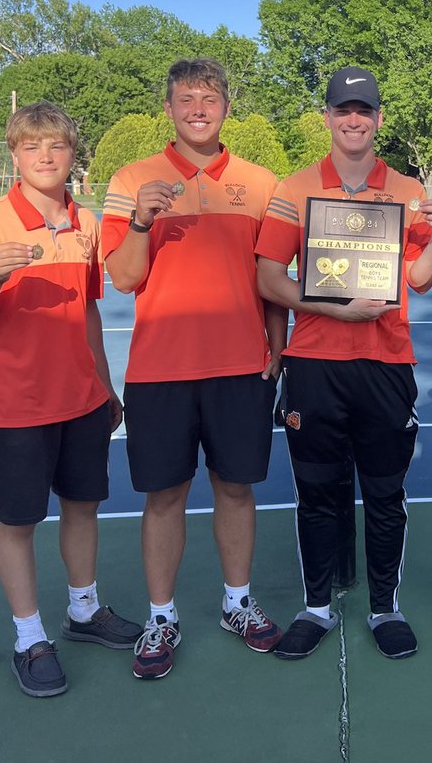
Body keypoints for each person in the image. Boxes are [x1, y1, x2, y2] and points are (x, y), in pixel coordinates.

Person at [0, 102, 140, 698]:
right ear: (14, 155)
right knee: (19, 522)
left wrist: (104, 384)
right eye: (32, 147)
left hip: (81, 400)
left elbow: (85, 310)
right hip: (14, 405)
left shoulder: (85, 223)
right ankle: (29, 637)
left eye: (56, 145)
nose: (46, 156)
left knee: (83, 508)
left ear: (72, 154)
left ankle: (84, 611)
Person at [255, 66, 432, 660]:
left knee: (386, 492)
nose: (353, 119)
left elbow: (418, 276)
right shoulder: (294, 188)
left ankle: (384, 607)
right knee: (315, 490)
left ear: (378, 118)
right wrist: (333, 311)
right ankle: (316, 607)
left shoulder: (411, 191)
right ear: (328, 118)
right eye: (343, 110)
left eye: (363, 110)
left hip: (386, 363)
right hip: (315, 362)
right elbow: (268, 277)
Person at [102, 59, 285, 680]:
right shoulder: (133, 179)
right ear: (169, 109)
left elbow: (273, 279)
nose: (198, 108)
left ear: (226, 105)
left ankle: (238, 601)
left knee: (237, 488)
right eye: (186, 99)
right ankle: (161, 616)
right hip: (160, 369)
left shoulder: (262, 183)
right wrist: (140, 221)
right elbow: (124, 277)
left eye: (209, 98)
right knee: (165, 495)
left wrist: (278, 348)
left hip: (241, 366)